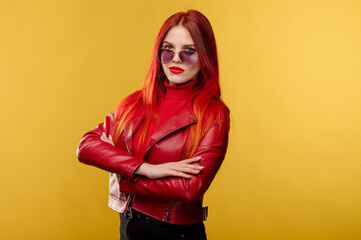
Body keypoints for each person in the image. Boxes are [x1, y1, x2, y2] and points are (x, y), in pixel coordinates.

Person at [77, 9, 230, 240]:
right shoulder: (134, 103)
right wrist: (146, 169)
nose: (176, 59)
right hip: (129, 225)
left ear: (205, 57)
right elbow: (86, 146)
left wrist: (125, 178)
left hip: (175, 233)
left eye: (189, 52)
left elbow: (190, 188)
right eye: (168, 50)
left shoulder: (214, 114)